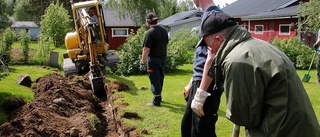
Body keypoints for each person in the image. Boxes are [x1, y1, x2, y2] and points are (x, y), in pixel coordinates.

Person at [199, 12, 320, 136]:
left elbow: (243, 116)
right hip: (301, 128)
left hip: (281, 131)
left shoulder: (237, 60)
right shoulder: (261, 47)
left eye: (209, 47)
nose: (210, 51)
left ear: (218, 40)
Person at [181, 0, 223, 136]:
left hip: (208, 84)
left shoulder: (213, 17)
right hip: (199, 81)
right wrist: (192, 81)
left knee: (202, 131)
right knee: (187, 126)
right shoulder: (208, 15)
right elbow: (203, 56)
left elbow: (213, 57)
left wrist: (201, 94)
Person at [140, 12, 168, 106]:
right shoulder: (164, 31)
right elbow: (166, 45)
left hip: (153, 59)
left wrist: (142, 62)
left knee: (154, 79)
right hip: (163, 58)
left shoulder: (150, 32)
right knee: (160, 78)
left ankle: (156, 101)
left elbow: (146, 49)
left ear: (148, 21)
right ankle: (158, 96)